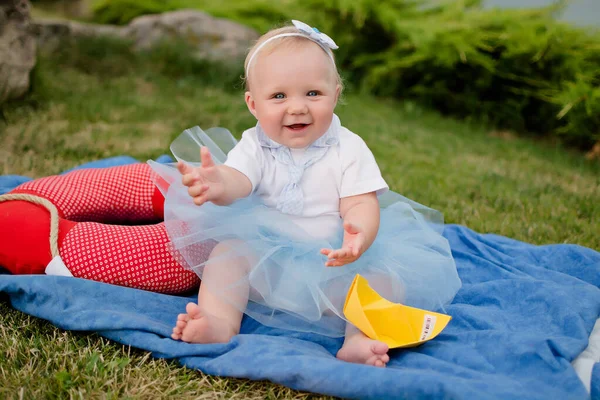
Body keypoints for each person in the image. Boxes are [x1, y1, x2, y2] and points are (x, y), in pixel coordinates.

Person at [158, 20, 462, 368]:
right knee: (226, 255)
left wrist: (358, 234)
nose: (297, 107)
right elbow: (239, 178)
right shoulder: (256, 143)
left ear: (335, 93)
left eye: (312, 93)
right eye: (279, 96)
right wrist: (218, 184)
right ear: (253, 105)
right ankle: (218, 322)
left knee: (384, 281)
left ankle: (359, 341)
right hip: (266, 257)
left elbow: (361, 201)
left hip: (333, 263)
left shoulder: (348, 147)